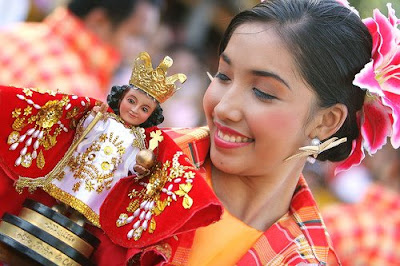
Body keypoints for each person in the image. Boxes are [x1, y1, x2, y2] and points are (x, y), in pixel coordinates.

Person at [101, 0, 400, 264]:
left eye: (263, 92)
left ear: (326, 121)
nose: (224, 108)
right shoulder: (127, 160)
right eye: (223, 76)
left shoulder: (305, 259)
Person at [0, 0, 162, 101]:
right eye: (136, 36)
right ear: (99, 21)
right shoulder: (79, 94)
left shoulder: (12, 33)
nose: (141, 51)